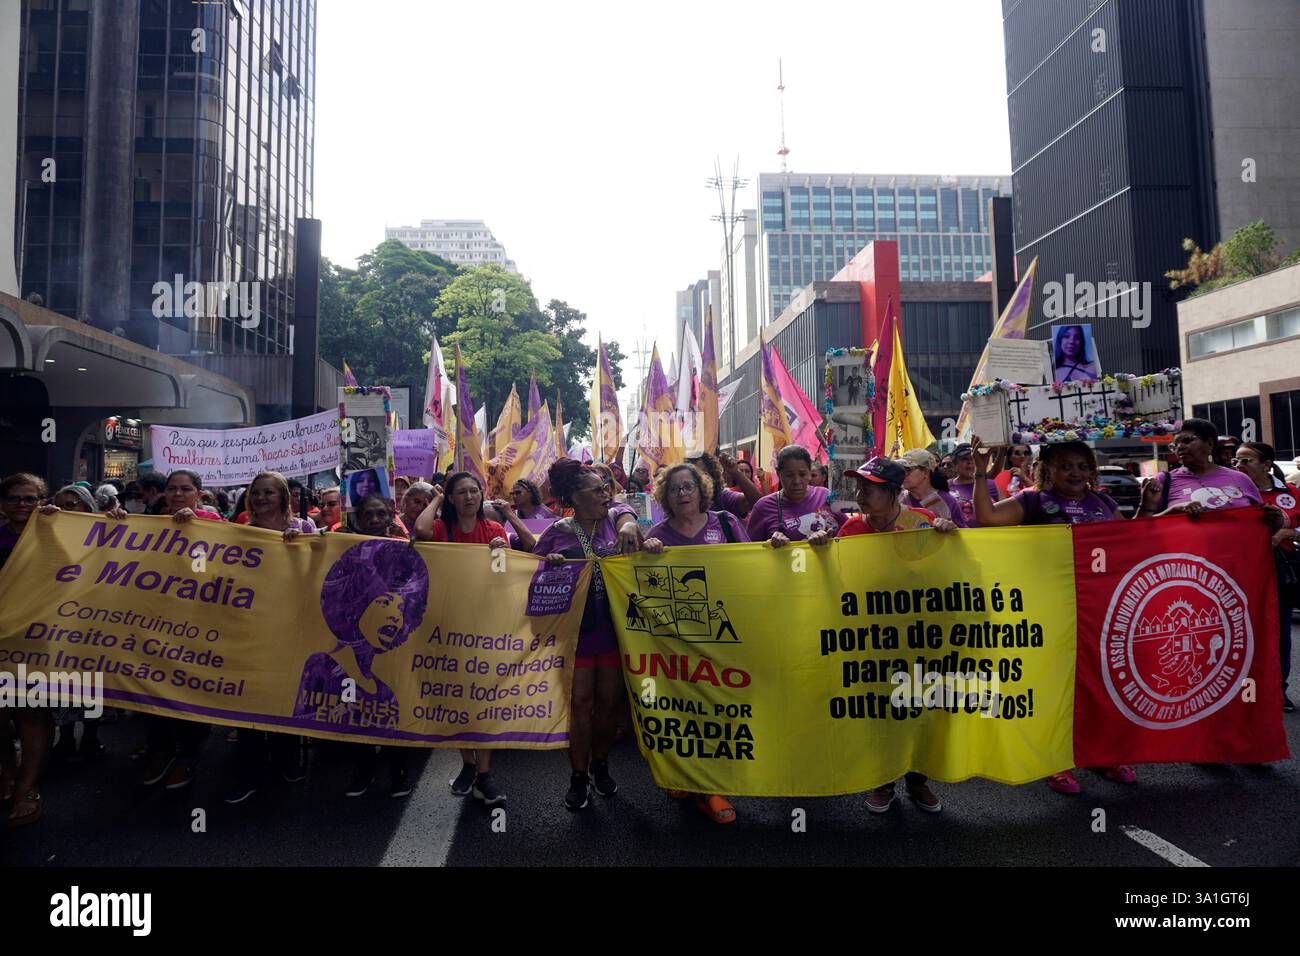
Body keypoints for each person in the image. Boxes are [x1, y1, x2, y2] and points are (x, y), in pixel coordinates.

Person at [968, 437, 1140, 792]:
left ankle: (1102, 754)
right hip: (1046, 609)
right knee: (1054, 687)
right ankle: (1054, 760)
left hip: (1099, 611)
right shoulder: (1032, 500)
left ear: (1091, 471)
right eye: (1064, 466)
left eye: (1081, 466)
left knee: (1100, 684)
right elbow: (987, 517)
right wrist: (982, 477)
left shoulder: (1104, 502)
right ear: (1047, 471)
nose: (1074, 473)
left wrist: (1153, 511)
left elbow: (1130, 542)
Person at [834, 458, 956, 813]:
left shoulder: (923, 524)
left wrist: (950, 540)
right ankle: (883, 782)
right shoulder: (851, 530)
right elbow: (835, 577)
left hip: (919, 639)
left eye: (868, 489)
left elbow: (952, 572)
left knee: (920, 709)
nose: (860, 496)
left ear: (891, 493)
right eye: (858, 488)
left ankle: (918, 781)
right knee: (879, 712)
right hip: (871, 642)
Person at [295, 502, 426, 799]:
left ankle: (399, 773)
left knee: (396, 710)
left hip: (390, 664)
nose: (377, 519)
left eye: (382, 514)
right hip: (353, 661)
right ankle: (364, 771)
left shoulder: (404, 550)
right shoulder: (323, 663)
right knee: (355, 713)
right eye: (370, 514)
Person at [642, 462, 748, 824]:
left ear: (701, 490)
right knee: (685, 713)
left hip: (723, 637)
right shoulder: (657, 534)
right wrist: (645, 554)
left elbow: (754, 565)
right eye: (675, 490)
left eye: (688, 487)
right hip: (677, 643)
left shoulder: (727, 524)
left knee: (717, 711)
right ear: (665, 497)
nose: (682, 494)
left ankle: (712, 786)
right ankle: (689, 778)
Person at [535, 458, 643, 811]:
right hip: (577, 634)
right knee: (581, 705)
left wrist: (631, 525)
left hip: (615, 630)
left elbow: (627, 511)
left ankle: (601, 765)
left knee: (609, 705)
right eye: (596, 490)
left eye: (605, 488)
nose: (604, 494)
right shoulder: (558, 532)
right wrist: (549, 566)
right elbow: (532, 576)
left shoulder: (615, 517)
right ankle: (578, 776)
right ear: (574, 497)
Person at [413, 473, 518, 805]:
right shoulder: (443, 530)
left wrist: (501, 553)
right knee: (458, 699)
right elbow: (420, 532)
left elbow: (503, 577)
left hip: (486, 627)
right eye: (462, 493)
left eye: (475, 491)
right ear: (452, 499)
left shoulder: (495, 531)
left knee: (483, 700)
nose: (470, 497)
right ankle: (468, 765)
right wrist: (435, 499)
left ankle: (484, 774)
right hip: (449, 625)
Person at [223, 471, 318, 804]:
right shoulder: (239, 532)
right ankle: (248, 771)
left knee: (283, 695)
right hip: (249, 625)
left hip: (290, 627)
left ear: (282, 497)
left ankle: (286, 760)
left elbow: (317, 572)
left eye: (269, 492)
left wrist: (301, 550)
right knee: (248, 697)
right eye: (257, 492)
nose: (263, 498)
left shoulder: (304, 529)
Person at [134, 469, 222, 790]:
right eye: (172, 489)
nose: (178, 494)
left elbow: (217, 569)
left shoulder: (212, 524)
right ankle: (161, 750)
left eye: (186, 489)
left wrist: (197, 527)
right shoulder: (147, 524)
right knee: (152, 688)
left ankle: (187, 757)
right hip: (154, 623)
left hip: (196, 626)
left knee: (187, 691)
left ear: (199, 493)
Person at [38, 485, 121, 764]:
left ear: (87, 507)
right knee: (60, 681)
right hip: (57, 619)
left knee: (90, 680)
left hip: (94, 621)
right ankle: (64, 736)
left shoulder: (105, 532)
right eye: (59, 504)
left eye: (71, 504)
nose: (65, 509)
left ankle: (90, 737)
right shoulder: (49, 530)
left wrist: (118, 524)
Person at [0, 473, 56, 825]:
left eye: (30, 498)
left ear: (41, 501)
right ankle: (8, 770)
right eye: (15, 499)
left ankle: (28, 787)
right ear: (3, 504)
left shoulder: (56, 532)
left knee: (30, 713)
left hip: (39, 638)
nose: (23, 505)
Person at [1233, 441, 1300, 712]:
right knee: (1240, 635)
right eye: (1236, 460)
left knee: (1280, 634)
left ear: (1266, 465)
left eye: (1246, 460)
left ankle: (1278, 690)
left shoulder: (1291, 493)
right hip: (1239, 575)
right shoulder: (1229, 493)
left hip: (1279, 574)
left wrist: (1289, 533)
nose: (1238, 465)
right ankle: (1241, 692)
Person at [1137, 418, 1262, 518]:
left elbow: (1262, 518)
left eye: (1186, 440)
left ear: (1210, 443)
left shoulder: (1240, 478)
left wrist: (1276, 520)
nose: (1179, 447)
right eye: (1175, 444)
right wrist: (1172, 511)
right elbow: (1141, 530)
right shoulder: (1163, 480)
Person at [747, 445, 845, 545]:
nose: (797, 481)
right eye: (789, 475)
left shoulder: (826, 495)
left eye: (802, 474)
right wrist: (769, 546)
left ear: (809, 472)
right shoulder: (762, 507)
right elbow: (750, 552)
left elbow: (849, 532)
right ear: (778, 473)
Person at [897, 449, 966, 526]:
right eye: (901, 470)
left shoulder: (947, 500)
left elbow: (964, 533)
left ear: (926, 472)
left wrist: (952, 527)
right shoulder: (897, 499)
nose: (902, 474)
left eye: (907, 470)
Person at [947, 443, 999, 527]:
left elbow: (1004, 513)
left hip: (989, 537)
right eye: (964, 459)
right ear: (955, 463)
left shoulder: (990, 484)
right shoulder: (946, 486)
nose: (970, 462)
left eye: (973, 458)